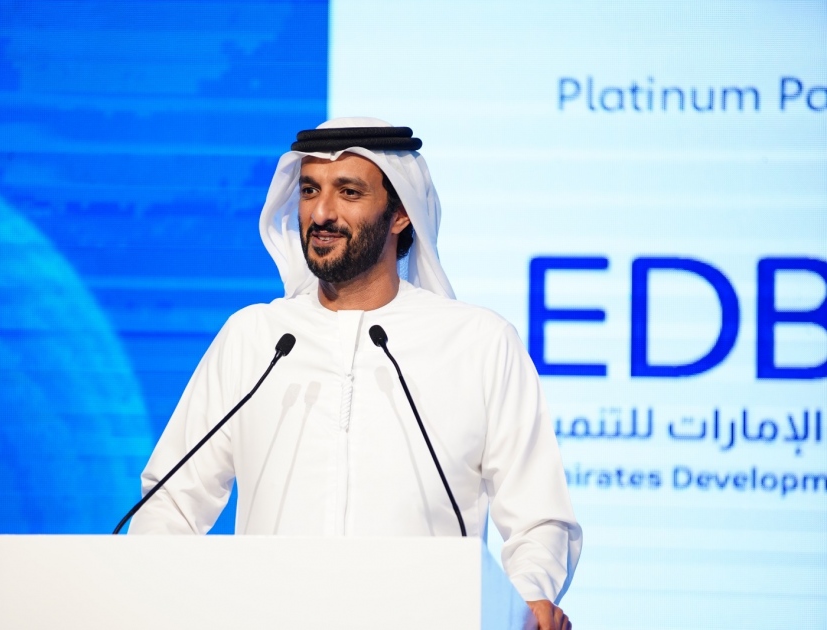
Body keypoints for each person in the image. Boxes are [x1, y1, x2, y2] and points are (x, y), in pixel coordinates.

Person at [129, 117, 582, 630]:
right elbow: (170, 502)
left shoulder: (478, 342)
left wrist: (524, 602)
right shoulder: (255, 337)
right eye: (309, 190)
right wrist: (152, 596)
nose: (322, 213)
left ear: (400, 214)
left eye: (349, 192)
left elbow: (539, 519)